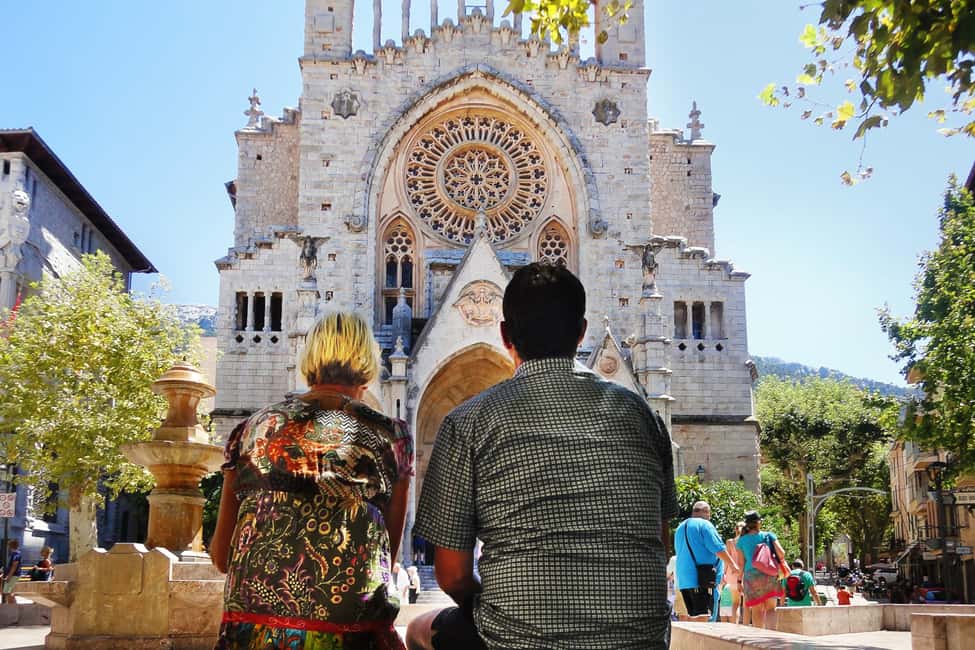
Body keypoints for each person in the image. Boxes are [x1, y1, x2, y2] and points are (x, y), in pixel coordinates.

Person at [406, 263, 679, 650]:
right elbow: (660, 541)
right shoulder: (642, 416)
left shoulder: (468, 421)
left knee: (418, 630)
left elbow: (451, 576)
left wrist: (505, 613)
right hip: (640, 641)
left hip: (514, 640)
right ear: (582, 332)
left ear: (504, 334)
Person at [210, 311, 414, 650]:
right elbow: (386, 558)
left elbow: (221, 556)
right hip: (351, 637)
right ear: (367, 367)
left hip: (251, 636)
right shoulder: (392, 437)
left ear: (309, 359)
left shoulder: (250, 430)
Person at [674, 502, 741, 622]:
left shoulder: (680, 527)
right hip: (702, 580)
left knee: (693, 617)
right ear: (705, 512)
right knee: (704, 619)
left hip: (684, 580)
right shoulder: (705, 525)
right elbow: (718, 548)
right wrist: (733, 565)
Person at [735, 511, 788, 630]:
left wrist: (739, 581)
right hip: (769, 574)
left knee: (757, 610)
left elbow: (741, 564)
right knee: (771, 609)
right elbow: (782, 553)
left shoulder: (741, 541)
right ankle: (771, 635)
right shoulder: (769, 536)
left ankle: (758, 637)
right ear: (759, 523)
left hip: (751, 577)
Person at [720, 521, 745, 623]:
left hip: (731, 575)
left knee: (735, 603)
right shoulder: (747, 542)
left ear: (735, 529)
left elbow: (727, 560)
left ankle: (734, 626)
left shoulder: (730, 542)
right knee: (744, 603)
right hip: (744, 573)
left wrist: (723, 574)